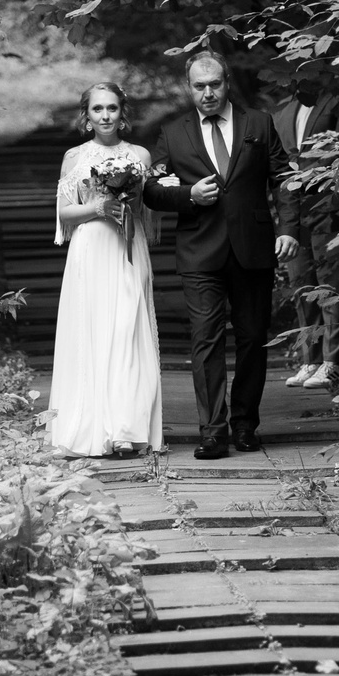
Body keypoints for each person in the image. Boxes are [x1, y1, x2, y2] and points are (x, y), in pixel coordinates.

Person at [143, 52, 296, 459]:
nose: (207, 92)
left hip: (253, 248)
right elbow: (152, 190)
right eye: (199, 86)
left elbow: (284, 180)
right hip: (199, 250)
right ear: (188, 87)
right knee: (205, 341)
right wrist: (187, 196)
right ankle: (212, 431)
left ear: (227, 82)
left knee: (251, 339)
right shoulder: (173, 133)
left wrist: (288, 229)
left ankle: (245, 425)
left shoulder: (259, 123)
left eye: (214, 84)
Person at [45, 82, 164, 458]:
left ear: (122, 113)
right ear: (87, 116)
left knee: (129, 329)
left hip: (128, 246)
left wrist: (132, 199)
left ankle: (127, 426)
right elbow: (64, 213)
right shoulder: (74, 156)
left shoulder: (140, 155)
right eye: (97, 109)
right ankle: (91, 426)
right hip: (91, 249)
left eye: (112, 108)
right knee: (94, 331)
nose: (105, 116)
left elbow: (151, 207)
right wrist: (99, 206)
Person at [272, 85, 339, 388]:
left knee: (333, 284)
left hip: (329, 205)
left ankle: (334, 362)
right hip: (293, 211)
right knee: (301, 285)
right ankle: (312, 360)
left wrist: (303, 171)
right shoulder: (281, 112)